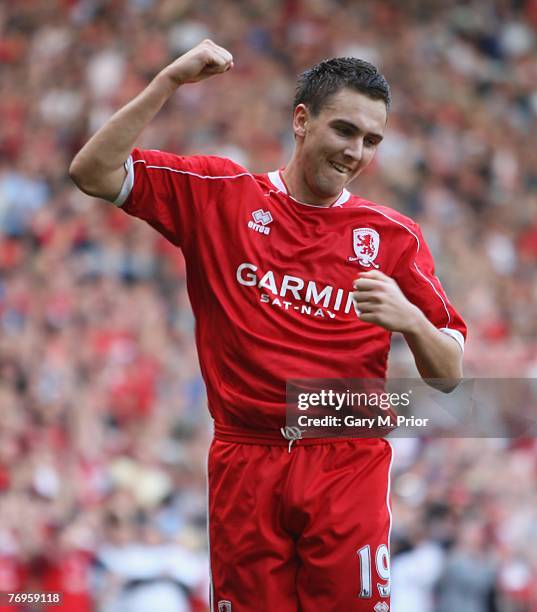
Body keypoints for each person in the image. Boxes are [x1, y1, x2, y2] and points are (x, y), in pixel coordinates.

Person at [69, 39, 466, 612]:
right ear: (301, 120)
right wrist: (169, 82)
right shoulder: (221, 195)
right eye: (345, 131)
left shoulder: (393, 237)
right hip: (245, 458)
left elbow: (451, 374)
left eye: (371, 140)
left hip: (345, 458)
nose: (356, 152)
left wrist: (411, 321)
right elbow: (92, 171)